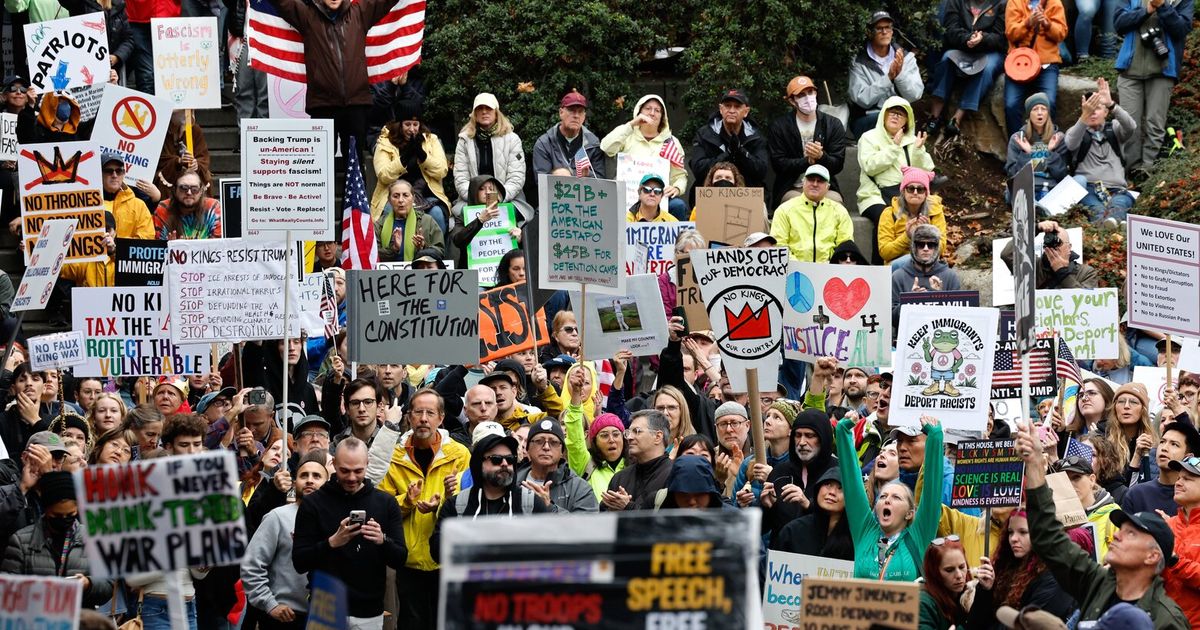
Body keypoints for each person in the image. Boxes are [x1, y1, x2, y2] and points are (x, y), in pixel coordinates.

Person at [1015, 420, 1189, 627]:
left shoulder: (1168, 620)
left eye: (1131, 534)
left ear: (1152, 556)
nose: (1117, 535)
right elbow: (1049, 539)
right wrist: (1035, 465)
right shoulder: (1096, 584)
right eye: (1121, 530)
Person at [375, 388, 469, 630]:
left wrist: (446, 502)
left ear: (441, 417)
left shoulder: (459, 455)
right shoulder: (393, 457)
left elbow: (469, 504)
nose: (424, 418)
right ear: (409, 417)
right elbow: (381, 506)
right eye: (418, 412)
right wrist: (407, 501)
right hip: (409, 560)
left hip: (447, 559)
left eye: (430, 412)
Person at [293, 438, 407, 630]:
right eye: (345, 470)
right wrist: (331, 543)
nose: (352, 478)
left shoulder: (386, 503)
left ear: (367, 464)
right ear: (334, 464)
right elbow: (299, 562)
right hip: (325, 608)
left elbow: (401, 558)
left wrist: (382, 541)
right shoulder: (313, 503)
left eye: (358, 471)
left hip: (369, 611)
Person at [265, 0, 398, 154]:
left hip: (356, 105)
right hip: (323, 106)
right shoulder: (307, 16)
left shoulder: (360, 13)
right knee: (324, 166)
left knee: (355, 167)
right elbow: (282, 3)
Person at [836, 414, 944, 580]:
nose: (887, 499)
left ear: (909, 513)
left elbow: (932, 490)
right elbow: (851, 483)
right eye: (883, 496)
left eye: (896, 498)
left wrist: (935, 437)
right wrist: (843, 431)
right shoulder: (865, 532)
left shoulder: (919, 535)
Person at [242, 450, 329, 630]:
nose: (310, 480)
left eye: (317, 476)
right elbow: (251, 565)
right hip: (284, 618)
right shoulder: (277, 517)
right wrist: (269, 604)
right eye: (304, 475)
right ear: (295, 482)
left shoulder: (336, 519)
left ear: (327, 483)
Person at [1, 472, 112, 607]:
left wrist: (88, 584)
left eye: (70, 514)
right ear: (46, 509)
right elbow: (6, 592)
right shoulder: (21, 541)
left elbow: (108, 585)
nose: (64, 520)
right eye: (57, 515)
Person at [1114, 0, 1195, 174]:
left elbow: (1182, 29)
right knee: (1129, 125)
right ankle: (1130, 173)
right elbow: (1119, 24)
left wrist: (1163, 7)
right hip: (1129, 70)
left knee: (1155, 124)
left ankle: (1147, 173)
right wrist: (1147, 9)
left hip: (1163, 70)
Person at [856, 96, 934, 263]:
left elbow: (926, 171)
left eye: (900, 114)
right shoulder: (869, 137)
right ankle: (878, 270)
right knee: (884, 217)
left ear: (906, 121)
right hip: (875, 194)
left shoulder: (913, 140)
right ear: (883, 114)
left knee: (928, 215)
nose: (895, 116)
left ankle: (922, 263)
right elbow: (870, 166)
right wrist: (893, 147)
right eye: (892, 112)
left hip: (906, 193)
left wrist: (919, 151)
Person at [925, 0, 1007, 138]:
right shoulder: (957, 2)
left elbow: (1001, 38)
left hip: (990, 51)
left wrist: (983, 39)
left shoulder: (1002, 3)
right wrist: (967, 39)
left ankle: (957, 118)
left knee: (987, 69)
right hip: (963, 46)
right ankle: (934, 116)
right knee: (946, 59)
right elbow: (950, 29)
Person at [600, 94, 689, 220]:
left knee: (678, 205)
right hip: (627, 196)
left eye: (657, 110)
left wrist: (677, 187)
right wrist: (632, 124)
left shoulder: (671, 142)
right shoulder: (627, 135)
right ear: (639, 111)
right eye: (648, 108)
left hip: (659, 198)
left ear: (662, 117)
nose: (652, 113)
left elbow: (680, 175)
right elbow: (606, 147)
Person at [761, 407, 839, 540]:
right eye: (798, 435)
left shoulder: (838, 473)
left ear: (823, 438)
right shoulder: (780, 472)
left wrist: (808, 505)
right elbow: (763, 528)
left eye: (810, 436)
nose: (802, 443)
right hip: (783, 556)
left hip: (823, 557)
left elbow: (844, 523)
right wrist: (768, 507)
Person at [1065, 81, 1137, 223]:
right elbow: (1070, 143)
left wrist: (1112, 104)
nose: (1093, 113)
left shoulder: (1114, 129)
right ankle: (1112, 229)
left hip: (1117, 188)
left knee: (1120, 203)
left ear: (1105, 112)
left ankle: (1111, 227)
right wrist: (1083, 118)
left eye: (1097, 108)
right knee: (1096, 209)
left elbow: (1131, 127)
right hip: (1089, 188)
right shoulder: (1078, 131)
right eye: (1089, 109)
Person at [371, 103, 451, 229]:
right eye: (407, 125)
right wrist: (405, 157)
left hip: (426, 196)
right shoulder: (385, 142)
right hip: (394, 197)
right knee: (387, 214)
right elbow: (383, 175)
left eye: (415, 125)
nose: (412, 129)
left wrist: (422, 154)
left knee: (437, 214)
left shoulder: (431, 140)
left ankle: (436, 249)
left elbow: (442, 171)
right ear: (399, 125)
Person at [848, 12, 924, 139]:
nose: (884, 32)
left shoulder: (906, 58)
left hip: (899, 117)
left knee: (899, 122)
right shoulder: (859, 61)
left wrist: (898, 76)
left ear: (892, 31)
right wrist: (888, 78)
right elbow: (862, 99)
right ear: (870, 32)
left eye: (888, 27)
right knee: (889, 121)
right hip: (867, 118)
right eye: (879, 28)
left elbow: (915, 94)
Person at [1003, 0, 1069, 135]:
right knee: (1011, 105)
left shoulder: (1054, 2)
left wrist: (1047, 24)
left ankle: (1045, 148)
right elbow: (1011, 33)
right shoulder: (1015, 2)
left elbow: (1061, 34)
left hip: (1047, 63)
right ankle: (1017, 149)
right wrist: (1028, 23)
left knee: (1048, 103)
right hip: (1019, 63)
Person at [689, 88, 770, 193]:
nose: (731, 110)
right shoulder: (705, 134)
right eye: (727, 106)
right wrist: (726, 154)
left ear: (746, 111)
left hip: (748, 194)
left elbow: (761, 172)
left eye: (737, 107)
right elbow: (698, 170)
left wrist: (741, 152)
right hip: (709, 194)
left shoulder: (756, 136)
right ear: (721, 109)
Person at [769, 164, 854, 262]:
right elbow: (778, 245)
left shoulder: (839, 211)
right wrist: (800, 267)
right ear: (803, 183)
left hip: (829, 271)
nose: (815, 184)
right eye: (811, 179)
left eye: (820, 181)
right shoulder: (784, 210)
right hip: (793, 271)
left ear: (828, 187)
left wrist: (830, 264)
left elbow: (845, 246)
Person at [453, 93, 526, 205]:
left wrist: (498, 197)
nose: (484, 112)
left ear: (496, 113)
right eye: (480, 108)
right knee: (460, 217)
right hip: (472, 199)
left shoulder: (512, 139)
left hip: (507, 198)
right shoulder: (464, 140)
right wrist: (476, 198)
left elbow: (516, 177)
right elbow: (460, 178)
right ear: (475, 114)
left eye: (488, 108)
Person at [514, 418, 598, 512]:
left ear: (562, 451)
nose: (546, 447)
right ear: (528, 448)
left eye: (553, 442)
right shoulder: (512, 482)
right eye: (539, 441)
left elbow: (588, 525)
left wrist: (549, 507)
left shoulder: (579, 488)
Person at [1121, 419, 1200, 516]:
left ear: (1188, 457)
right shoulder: (1137, 494)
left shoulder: (1193, 498)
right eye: (1162, 442)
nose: (1164, 448)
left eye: (1174, 444)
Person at [771, 467, 854, 559]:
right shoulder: (793, 531)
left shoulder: (856, 539)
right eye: (828, 484)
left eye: (841, 488)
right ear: (818, 489)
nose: (832, 492)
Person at [1049, 455, 1121, 559]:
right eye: (1065, 480)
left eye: (1076, 477)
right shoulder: (1054, 518)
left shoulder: (1113, 515)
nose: (1070, 485)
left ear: (1092, 480)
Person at [890, 224, 962, 325]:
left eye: (931, 245)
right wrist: (909, 301)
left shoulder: (950, 276)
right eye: (921, 244)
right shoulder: (898, 276)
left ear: (936, 248)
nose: (926, 248)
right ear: (914, 247)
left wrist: (940, 298)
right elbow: (891, 319)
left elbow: (959, 318)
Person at [602, 410, 673, 511]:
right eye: (629, 432)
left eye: (637, 431)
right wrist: (611, 507)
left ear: (658, 437)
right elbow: (602, 518)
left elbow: (668, 520)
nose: (629, 437)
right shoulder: (620, 477)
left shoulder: (674, 475)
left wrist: (628, 507)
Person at [918, 537, 995, 629]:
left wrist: (987, 592)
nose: (959, 575)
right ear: (934, 572)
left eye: (962, 567)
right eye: (949, 570)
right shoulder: (923, 603)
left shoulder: (972, 592)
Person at [1006, 93, 1071, 201]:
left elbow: (1062, 175)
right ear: (1029, 114)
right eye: (1035, 109)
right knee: (1011, 191)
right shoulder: (1017, 138)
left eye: (1043, 109)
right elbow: (1012, 173)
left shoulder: (1058, 138)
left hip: (1051, 188)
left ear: (1048, 113)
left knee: (1078, 181)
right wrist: (1027, 153)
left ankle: (1042, 209)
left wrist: (1049, 152)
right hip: (1025, 187)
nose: (1039, 113)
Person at [877, 166, 947, 266]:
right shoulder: (889, 213)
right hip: (898, 266)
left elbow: (941, 248)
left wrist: (926, 234)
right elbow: (885, 252)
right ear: (903, 191)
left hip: (928, 263)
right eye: (910, 188)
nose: (915, 193)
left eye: (920, 189)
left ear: (926, 193)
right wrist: (907, 236)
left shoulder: (935, 212)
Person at [1001, 220, 1099, 289]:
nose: (1054, 248)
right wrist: (1035, 228)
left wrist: (1063, 273)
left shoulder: (1086, 273)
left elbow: (1087, 305)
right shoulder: (1034, 267)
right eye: (1050, 244)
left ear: (1069, 247)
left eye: (1058, 243)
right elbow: (1008, 253)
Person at [532, 91, 607, 178]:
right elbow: (540, 181)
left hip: (585, 191)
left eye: (580, 112)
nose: (576, 116)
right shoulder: (544, 144)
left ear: (584, 116)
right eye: (571, 111)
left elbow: (601, 181)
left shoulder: (593, 144)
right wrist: (554, 175)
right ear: (561, 113)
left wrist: (573, 175)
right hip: (555, 191)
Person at [1164, 455, 1200, 626]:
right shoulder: (1167, 525)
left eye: (1187, 479)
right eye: (1178, 478)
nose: (1177, 483)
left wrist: (1174, 560)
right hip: (1164, 624)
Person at [374, 179, 445, 261]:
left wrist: (423, 248)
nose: (400, 200)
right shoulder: (380, 224)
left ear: (413, 198)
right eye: (396, 196)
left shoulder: (427, 221)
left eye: (405, 195)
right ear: (389, 200)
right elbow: (372, 254)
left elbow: (440, 251)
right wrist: (393, 249)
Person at [565, 411, 626, 500]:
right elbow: (575, 441)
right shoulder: (585, 463)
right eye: (604, 436)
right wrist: (575, 404)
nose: (611, 440)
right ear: (594, 442)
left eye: (616, 434)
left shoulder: (635, 465)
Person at [1105, 382, 1158, 485]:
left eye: (1133, 402)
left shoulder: (1153, 443)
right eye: (1121, 401)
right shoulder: (1102, 439)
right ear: (1115, 407)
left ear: (1143, 409)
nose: (1126, 406)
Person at [99, 154, 155, 239]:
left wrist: (116, 244)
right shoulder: (88, 204)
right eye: (108, 171)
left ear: (124, 173)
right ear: (100, 173)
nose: (114, 175)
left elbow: (147, 239)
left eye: (119, 171)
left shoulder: (139, 206)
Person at [153, 170, 222, 240]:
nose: (189, 192)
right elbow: (156, 245)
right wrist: (167, 245)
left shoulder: (213, 208)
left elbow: (218, 245)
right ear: (174, 190)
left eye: (194, 189)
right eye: (183, 188)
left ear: (201, 191)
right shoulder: (162, 209)